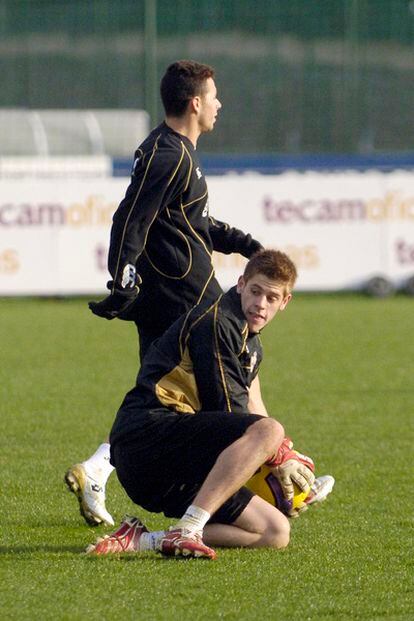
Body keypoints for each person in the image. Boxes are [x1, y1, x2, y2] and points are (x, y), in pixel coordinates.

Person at [65, 60, 263, 527]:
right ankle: (273, 465)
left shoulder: (179, 153)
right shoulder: (168, 153)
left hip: (175, 294)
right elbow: (130, 217)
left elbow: (193, 224)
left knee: (167, 398)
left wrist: (245, 245)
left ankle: (100, 467)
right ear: (195, 103)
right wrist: (122, 277)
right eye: (214, 96)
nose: (219, 104)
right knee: (237, 355)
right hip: (183, 293)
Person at [86, 249, 316, 559]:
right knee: (269, 432)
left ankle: (144, 539)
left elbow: (254, 405)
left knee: (274, 531)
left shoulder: (251, 342)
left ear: (284, 302)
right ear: (240, 284)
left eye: (271, 297)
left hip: (181, 459)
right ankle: (188, 528)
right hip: (147, 438)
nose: (260, 303)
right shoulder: (219, 323)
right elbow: (231, 413)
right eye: (255, 291)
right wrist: (278, 457)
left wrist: (290, 461)